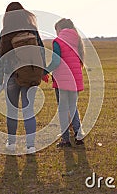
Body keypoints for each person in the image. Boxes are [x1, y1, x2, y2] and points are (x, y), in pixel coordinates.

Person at [0, 2, 45, 154]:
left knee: (12, 110)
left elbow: (1, 58)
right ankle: (30, 146)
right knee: (28, 110)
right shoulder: (32, 29)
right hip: (30, 73)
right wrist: (41, 72)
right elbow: (41, 51)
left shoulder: (6, 31)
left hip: (11, 75)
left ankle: (11, 143)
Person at [43, 18, 85, 147]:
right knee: (73, 107)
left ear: (59, 29)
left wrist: (45, 71)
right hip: (75, 78)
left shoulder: (58, 41)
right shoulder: (77, 40)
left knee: (62, 110)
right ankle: (79, 135)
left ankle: (66, 139)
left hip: (62, 80)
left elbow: (56, 62)